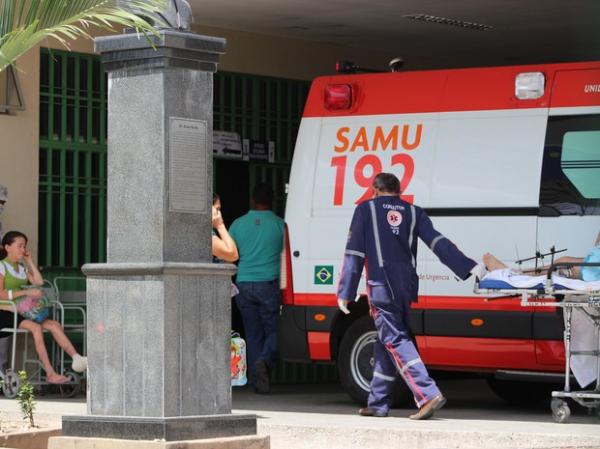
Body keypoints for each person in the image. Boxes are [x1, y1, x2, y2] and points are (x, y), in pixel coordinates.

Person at [337, 173, 482, 420]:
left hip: (382, 285)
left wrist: (345, 292)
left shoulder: (366, 210)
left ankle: (427, 394)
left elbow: (354, 253)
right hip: (406, 285)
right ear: (400, 190)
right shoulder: (415, 212)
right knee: (386, 341)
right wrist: (468, 266)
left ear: (374, 189)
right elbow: (438, 243)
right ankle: (378, 402)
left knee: (394, 338)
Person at [0, 231, 87, 384]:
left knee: (54, 325)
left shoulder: (21, 268)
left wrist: (30, 261)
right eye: (19, 246)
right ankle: (50, 373)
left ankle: (76, 359)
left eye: (24, 246)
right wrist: (26, 291)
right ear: (7, 247)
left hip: (24, 312)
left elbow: (39, 282)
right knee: (36, 328)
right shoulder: (2, 266)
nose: (23, 249)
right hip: (6, 312)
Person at [230, 184, 284, 394]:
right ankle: (265, 360)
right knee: (275, 330)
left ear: (252, 200)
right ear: (272, 201)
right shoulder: (280, 225)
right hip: (269, 285)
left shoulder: (237, 224)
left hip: (243, 284)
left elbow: (229, 253)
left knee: (252, 334)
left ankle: (257, 380)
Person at [483, 231, 600, 281]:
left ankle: (510, 273)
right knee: (561, 263)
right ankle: (511, 272)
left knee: (562, 264)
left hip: (592, 270)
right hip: (592, 266)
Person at [212, 193, 239, 263]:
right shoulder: (204, 234)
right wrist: (220, 225)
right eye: (217, 209)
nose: (219, 213)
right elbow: (233, 255)